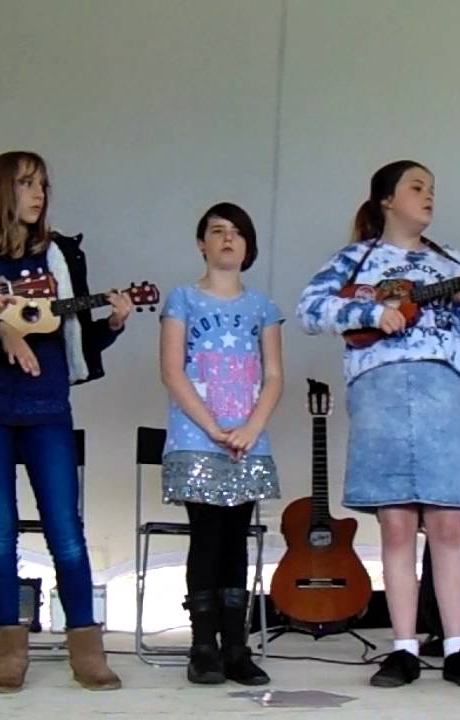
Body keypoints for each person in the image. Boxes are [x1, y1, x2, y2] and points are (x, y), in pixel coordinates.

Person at [296, 161, 460, 689]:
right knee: (397, 523)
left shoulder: (449, 259)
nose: (429, 195)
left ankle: (457, 647)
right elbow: (309, 308)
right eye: (417, 186)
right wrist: (368, 316)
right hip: (379, 390)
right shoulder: (354, 259)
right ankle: (403, 647)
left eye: (432, 187)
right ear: (387, 199)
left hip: (442, 391)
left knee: (448, 524)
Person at [0, 151, 130, 692]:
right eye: (27, 183)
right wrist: (2, 329)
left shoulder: (62, 255)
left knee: (65, 528)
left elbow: (75, 336)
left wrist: (113, 323)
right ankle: (8, 650)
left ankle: (85, 647)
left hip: (47, 405)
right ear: (2, 190)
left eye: (43, 183)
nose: (39, 193)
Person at [159, 202, 283, 686]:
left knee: (237, 541)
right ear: (201, 243)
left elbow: (273, 375)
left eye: (237, 233)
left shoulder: (263, 308)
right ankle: (202, 645)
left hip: (248, 438)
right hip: (198, 436)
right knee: (206, 538)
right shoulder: (183, 299)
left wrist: (251, 427)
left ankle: (238, 644)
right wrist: (212, 427)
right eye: (217, 231)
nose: (228, 239)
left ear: (248, 246)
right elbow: (172, 370)